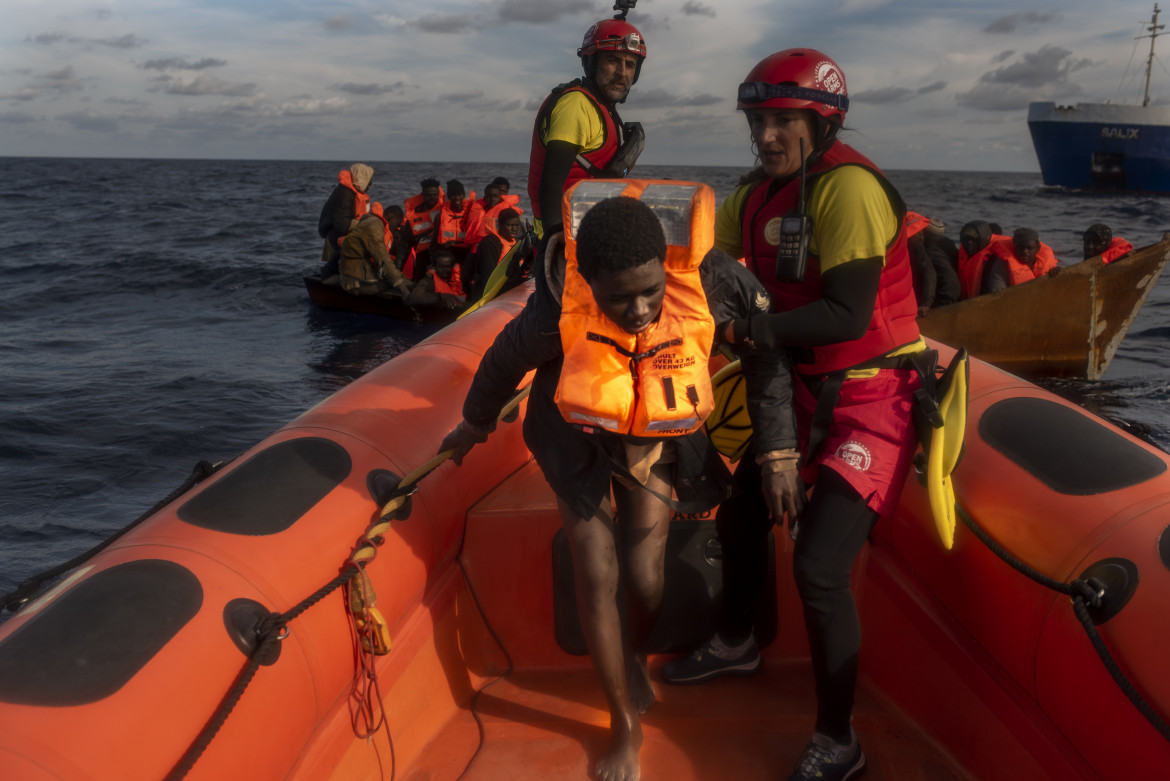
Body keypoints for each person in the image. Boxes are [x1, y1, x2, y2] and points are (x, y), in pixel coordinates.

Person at [439, 188, 797, 781]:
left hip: (654, 431)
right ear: (587, 281)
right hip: (572, 432)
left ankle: (636, 652)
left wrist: (780, 448)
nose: (636, 310)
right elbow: (504, 360)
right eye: (617, 298)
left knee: (644, 577)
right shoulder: (559, 303)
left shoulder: (710, 281)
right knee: (596, 568)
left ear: (667, 270)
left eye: (649, 293)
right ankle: (622, 722)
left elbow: (766, 357)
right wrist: (474, 424)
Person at [662, 49, 927, 781]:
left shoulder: (850, 189)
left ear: (823, 121)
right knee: (741, 514)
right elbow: (712, 280)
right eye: (759, 120)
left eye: (784, 120)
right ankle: (737, 640)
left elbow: (845, 314)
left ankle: (839, 739)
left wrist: (753, 332)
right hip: (804, 395)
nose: (768, 134)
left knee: (817, 565)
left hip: (873, 400)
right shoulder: (751, 198)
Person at [527, 12, 647, 239]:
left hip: (588, 232)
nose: (622, 72)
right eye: (612, 60)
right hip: (565, 237)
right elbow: (551, 187)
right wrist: (556, 248)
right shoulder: (576, 106)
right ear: (591, 63)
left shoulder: (601, 109)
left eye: (630, 65)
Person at [336, 202, 411, 297]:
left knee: (401, 279)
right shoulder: (375, 225)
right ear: (390, 218)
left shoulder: (373, 223)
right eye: (397, 225)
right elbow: (383, 258)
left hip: (358, 273)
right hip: (355, 282)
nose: (397, 228)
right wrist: (405, 292)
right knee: (399, 282)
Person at [965, 227, 1059, 296]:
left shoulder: (1046, 263)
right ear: (1014, 246)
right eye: (1020, 248)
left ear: (1038, 248)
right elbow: (997, 292)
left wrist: (1057, 274)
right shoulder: (1003, 263)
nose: (1025, 252)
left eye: (1029, 248)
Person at [317, 163, 373, 275]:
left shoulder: (350, 192)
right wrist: (363, 226)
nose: (371, 184)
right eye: (369, 180)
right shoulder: (346, 194)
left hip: (342, 235)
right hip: (335, 238)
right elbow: (341, 223)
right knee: (336, 271)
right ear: (361, 179)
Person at [905, 212, 959, 315]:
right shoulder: (947, 247)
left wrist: (929, 305)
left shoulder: (933, 253)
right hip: (941, 297)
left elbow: (930, 273)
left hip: (941, 301)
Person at [432, 180, 485, 276]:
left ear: (463, 196)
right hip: (447, 253)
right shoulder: (440, 216)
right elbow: (434, 242)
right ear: (449, 197)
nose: (456, 198)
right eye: (453, 195)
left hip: (466, 253)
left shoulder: (471, 214)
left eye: (459, 195)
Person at [468, 208, 522, 302]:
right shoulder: (489, 244)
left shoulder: (516, 243)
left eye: (516, 225)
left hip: (510, 290)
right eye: (509, 225)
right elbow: (487, 276)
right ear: (499, 225)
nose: (514, 229)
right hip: (489, 295)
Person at [403, 178, 445, 280]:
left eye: (435, 195)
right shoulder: (414, 214)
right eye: (428, 195)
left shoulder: (445, 210)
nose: (432, 198)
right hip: (422, 254)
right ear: (423, 195)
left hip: (442, 254)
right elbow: (405, 246)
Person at [404, 246, 466, 311]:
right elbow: (414, 298)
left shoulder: (461, 281)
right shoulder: (428, 281)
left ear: (452, 267)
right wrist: (440, 296)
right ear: (435, 267)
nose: (444, 270)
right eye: (440, 267)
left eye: (448, 266)